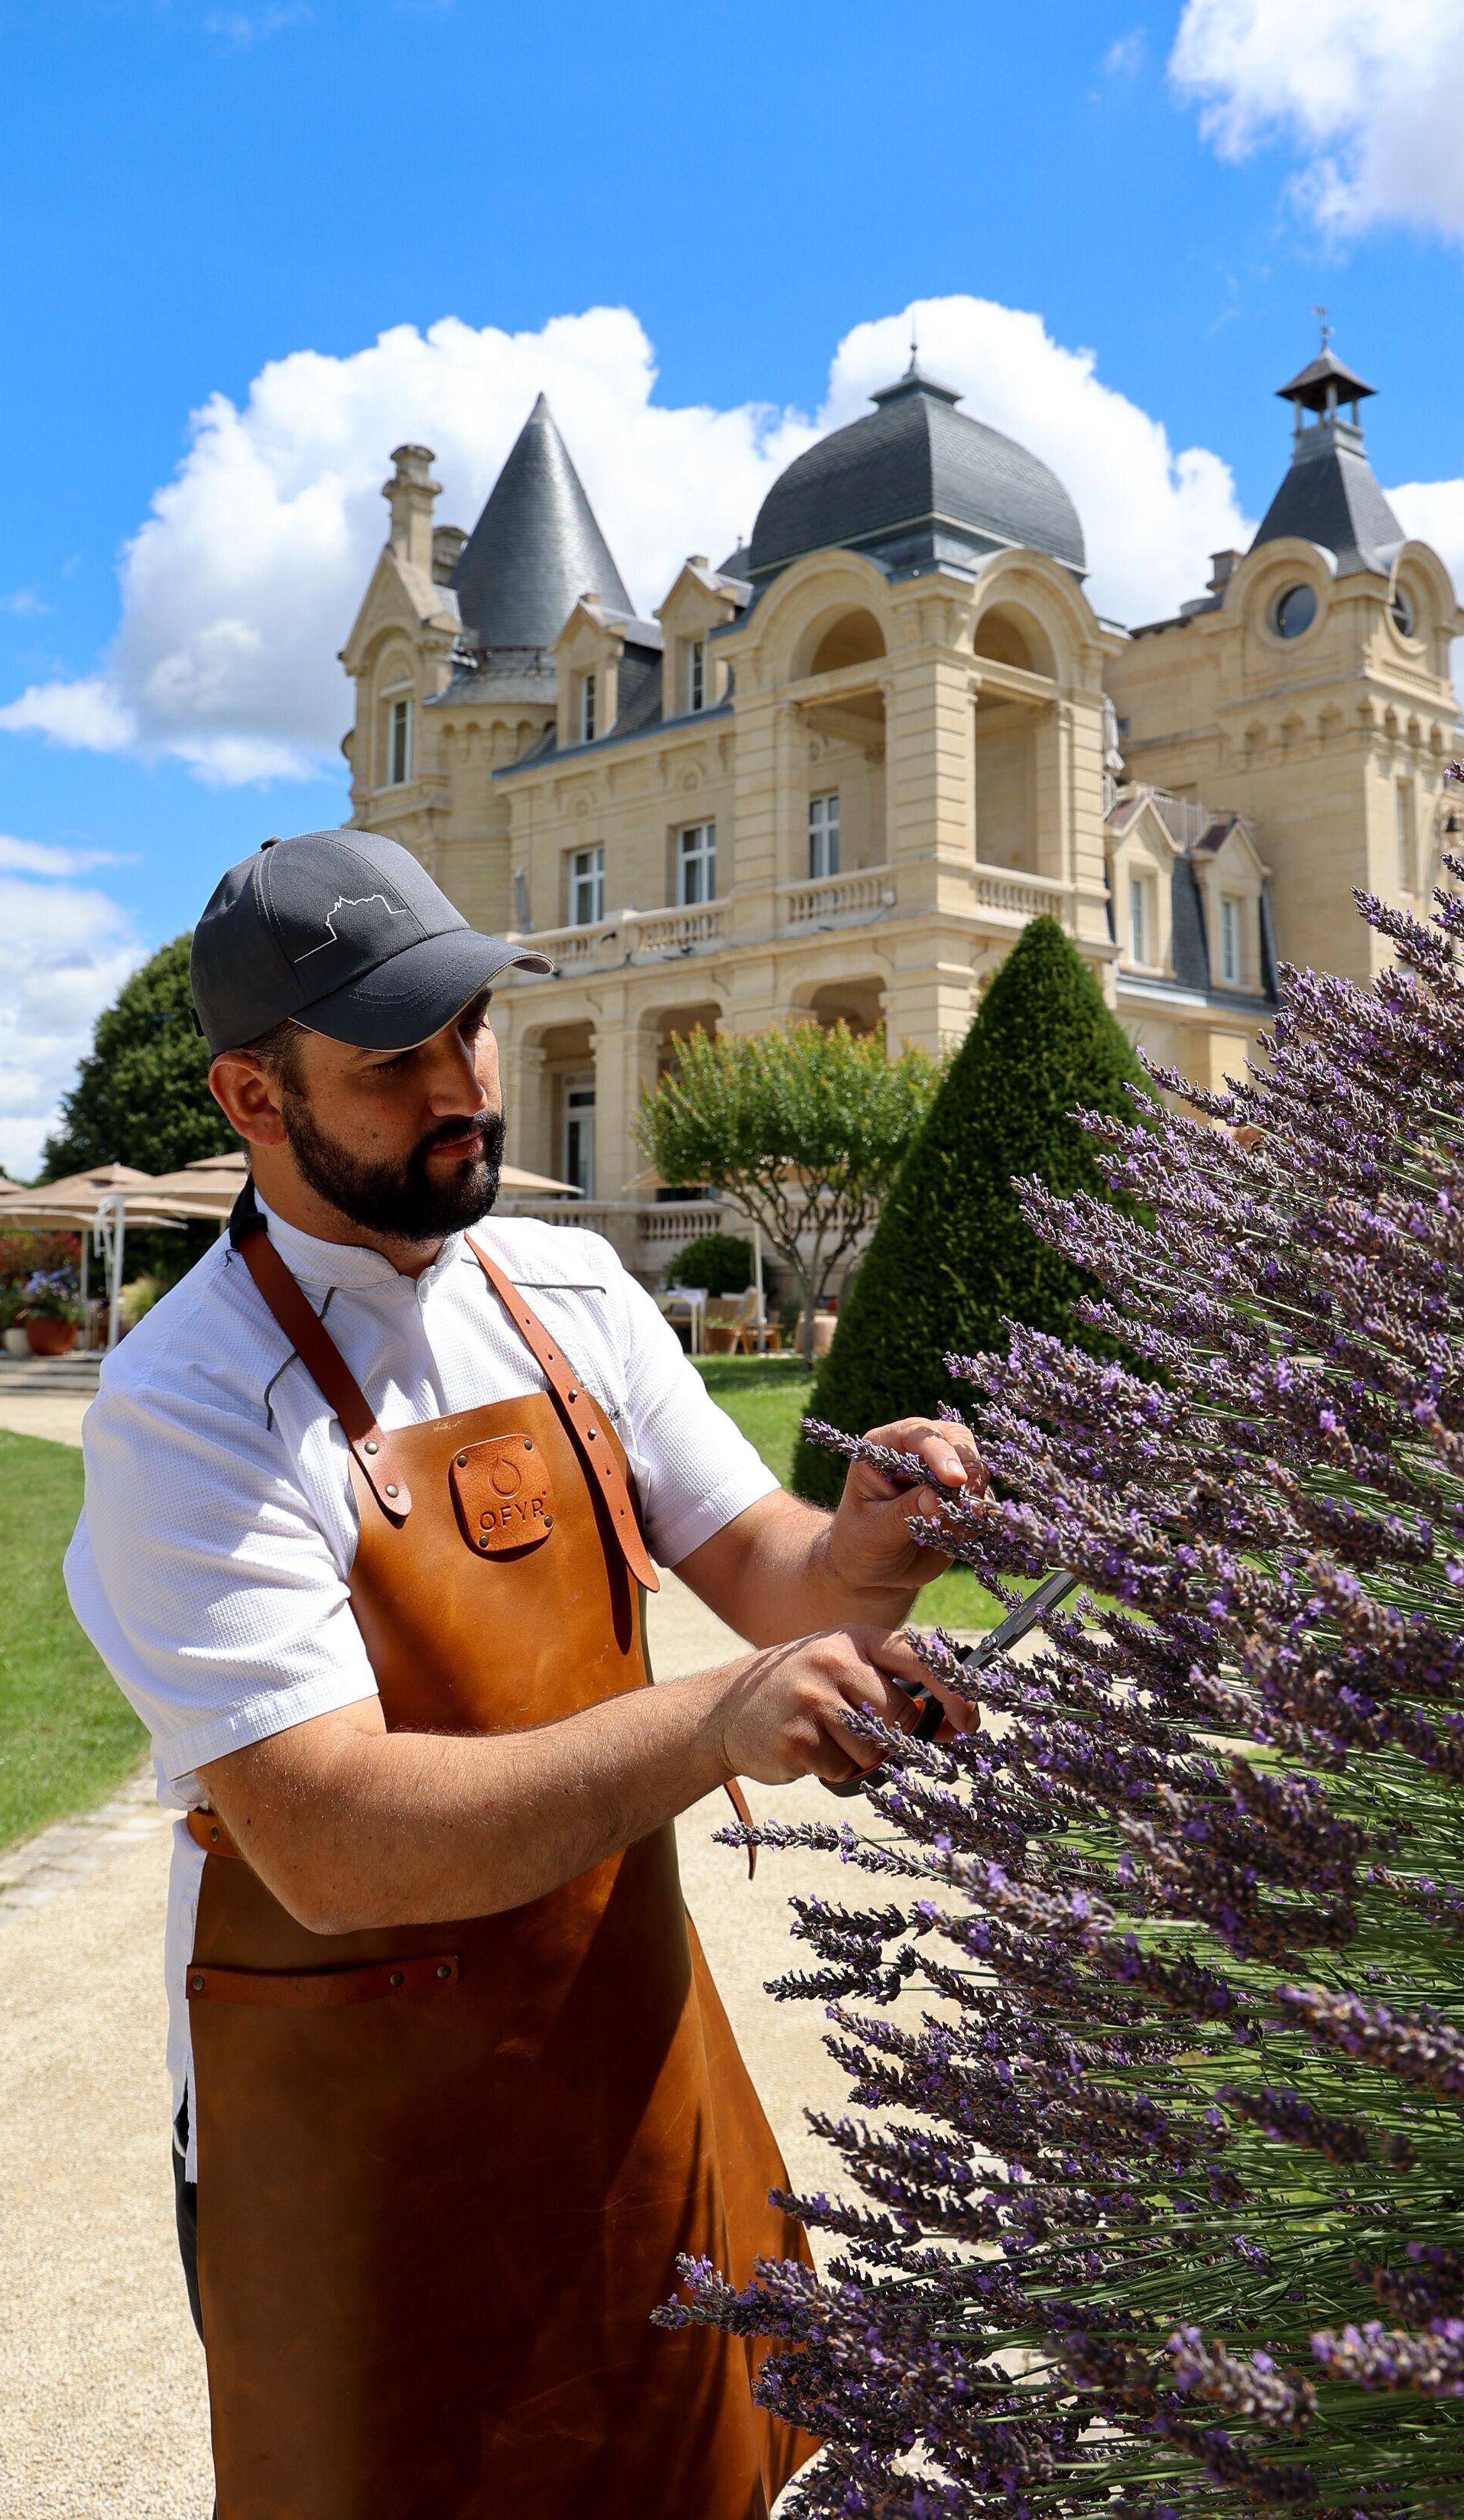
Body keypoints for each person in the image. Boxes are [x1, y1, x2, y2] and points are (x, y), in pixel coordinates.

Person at [65, 828, 982, 2520]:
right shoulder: (187, 1408)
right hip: (357, 2136)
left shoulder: (565, 1286)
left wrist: (872, 1545)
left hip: (625, 2045)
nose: (461, 1083)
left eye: (469, 1028)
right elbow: (331, 1840)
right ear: (254, 1103)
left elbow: (771, 1567)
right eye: (393, 1057)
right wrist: (716, 1718)